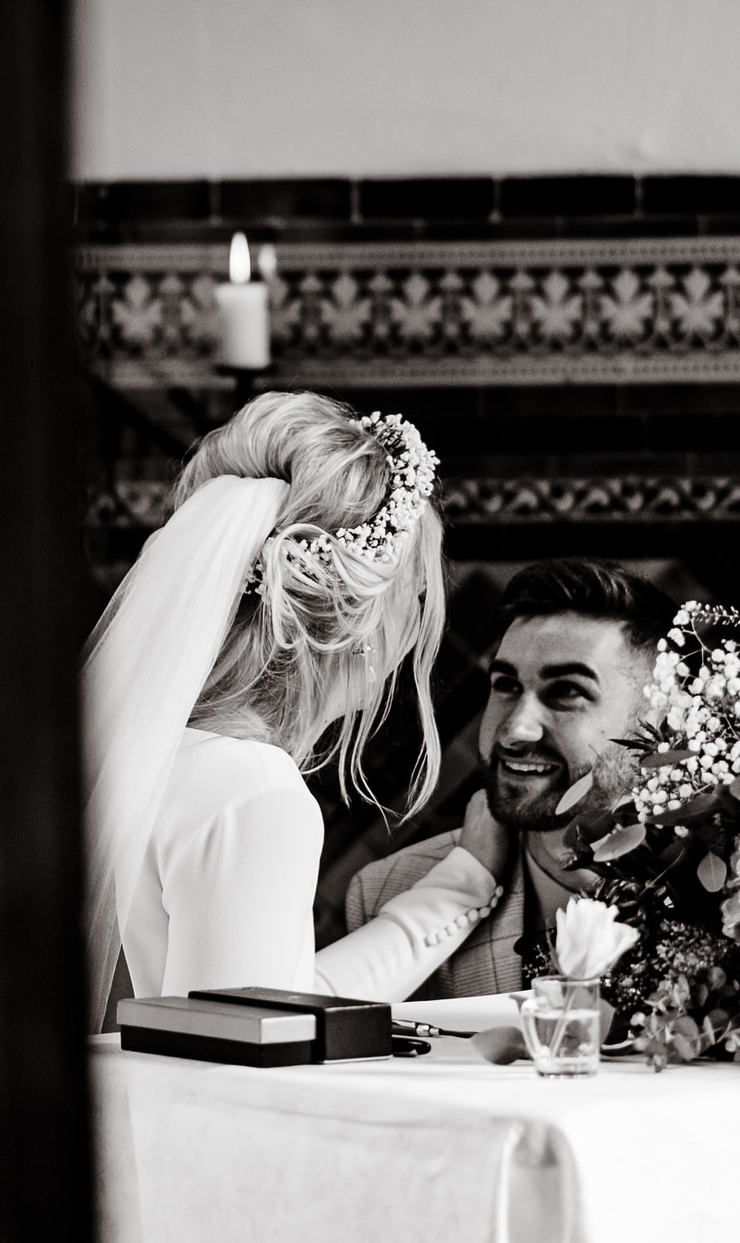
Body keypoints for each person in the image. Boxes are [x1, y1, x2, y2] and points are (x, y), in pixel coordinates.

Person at [81, 391, 514, 1028]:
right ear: (358, 623)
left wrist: (464, 881)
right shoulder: (251, 790)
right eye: (414, 599)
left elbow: (270, 999)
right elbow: (239, 1052)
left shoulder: (154, 754)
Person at [344, 559, 676, 999]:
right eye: (506, 684)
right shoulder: (389, 892)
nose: (517, 728)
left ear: (660, 718)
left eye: (567, 691)